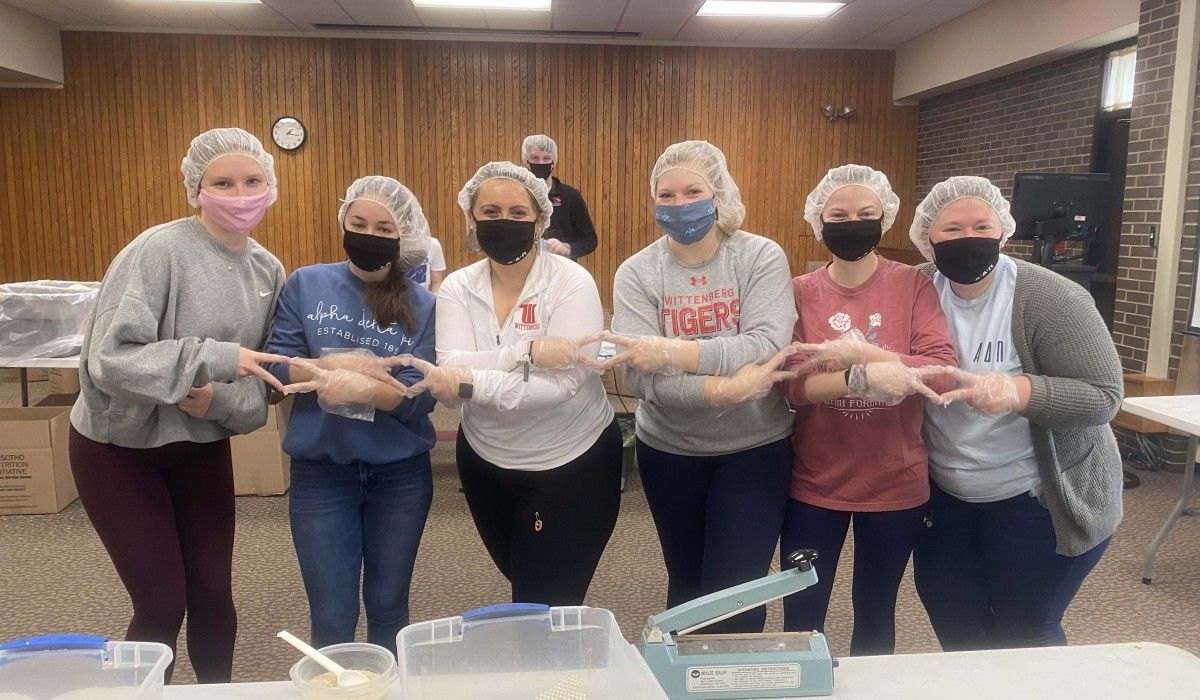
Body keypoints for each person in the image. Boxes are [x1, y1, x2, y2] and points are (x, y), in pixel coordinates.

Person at [67, 127, 289, 683]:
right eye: (223, 182)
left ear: (271, 185)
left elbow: (261, 386)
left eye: (252, 181)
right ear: (196, 188)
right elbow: (109, 360)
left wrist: (218, 399)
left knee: (214, 595)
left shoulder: (268, 271)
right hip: (119, 448)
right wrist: (211, 360)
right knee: (163, 601)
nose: (240, 194)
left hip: (199, 446)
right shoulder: (157, 251)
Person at [908, 176, 1124, 650]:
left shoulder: (1052, 298)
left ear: (1003, 231)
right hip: (946, 494)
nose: (969, 239)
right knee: (955, 621)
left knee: (1024, 629)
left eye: (981, 225)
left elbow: (1103, 395)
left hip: (1036, 497)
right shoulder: (915, 290)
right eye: (951, 230)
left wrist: (1018, 391)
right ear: (927, 238)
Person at [400, 161, 620, 606]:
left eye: (519, 214)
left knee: (546, 601)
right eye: (491, 212)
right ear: (472, 219)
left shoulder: (572, 282)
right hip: (485, 463)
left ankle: (558, 676)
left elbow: (563, 384)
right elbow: (451, 361)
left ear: (541, 220)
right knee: (523, 579)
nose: (505, 222)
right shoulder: (459, 287)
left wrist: (465, 385)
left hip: (571, 462)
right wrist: (525, 354)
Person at [604, 140, 797, 633]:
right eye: (666, 195)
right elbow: (635, 375)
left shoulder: (758, 256)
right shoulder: (637, 272)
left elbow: (765, 344)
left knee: (737, 592)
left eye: (693, 190)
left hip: (753, 448)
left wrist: (675, 353)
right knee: (687, 584)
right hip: (669, 450)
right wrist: (721, 391)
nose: (679, 203)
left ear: (719, 194)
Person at [780, 164, 957, 655]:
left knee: (875, 607)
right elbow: (791, 386)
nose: (852, 221)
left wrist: (871, 358)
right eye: (839, 213)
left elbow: (941, 371)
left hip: (895, 483)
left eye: (866, 213)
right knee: (802, 611)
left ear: (885, 219)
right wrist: (859, 379)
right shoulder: (800, 291)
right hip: (815, 482)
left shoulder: (912, 286)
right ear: (819, 220)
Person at [264, 176, 437, 655]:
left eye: (383, 227)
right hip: (322, 474)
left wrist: (374, 391)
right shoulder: (306, 283)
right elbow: (276, 366)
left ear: (403, 237)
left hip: (399, 476)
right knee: (332, 616)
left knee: (388, 609)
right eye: (358, 223)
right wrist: (328, 369)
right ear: (343, 222)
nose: (368, 234)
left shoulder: (423, 306)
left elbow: (421, 397)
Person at [523, 134, 597, 261]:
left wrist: (567, 248)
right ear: (526, 161)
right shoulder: (517, 195)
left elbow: (590, 240)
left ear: (554, 162)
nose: (541, 162)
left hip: (563, 271)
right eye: (535, 158)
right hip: (524, 269)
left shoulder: (570, 196)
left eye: (546, 158)